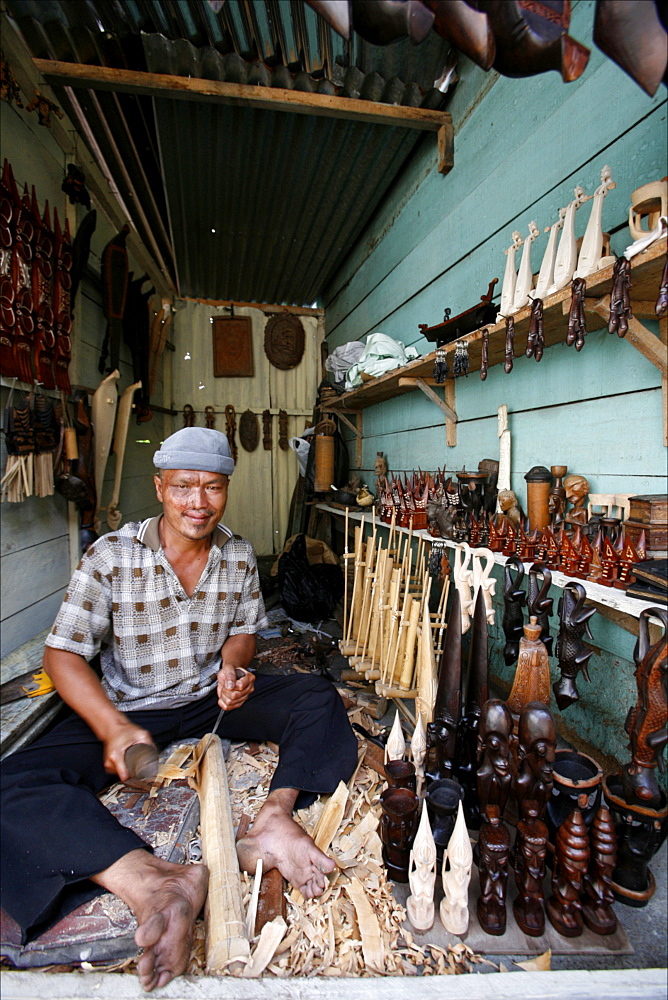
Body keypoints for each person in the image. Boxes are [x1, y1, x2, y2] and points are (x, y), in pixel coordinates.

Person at [1, 427, 358, 991]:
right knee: (11, 786)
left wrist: (234, 671)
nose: (199, 503)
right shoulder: (112, 556)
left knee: (316, 697)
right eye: (185, 487)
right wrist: (112, 726)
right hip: (129, 711)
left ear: (226, 490)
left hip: (206, 703)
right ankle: (152, 880)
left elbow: (244, 632)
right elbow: (63, 654)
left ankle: (272, 819)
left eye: (213, 488)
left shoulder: (236, 553)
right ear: (160, 486)